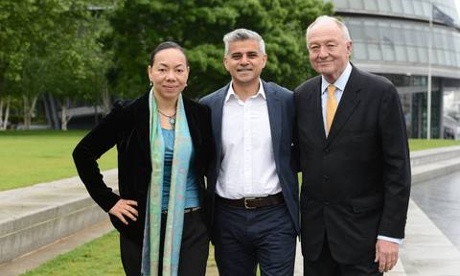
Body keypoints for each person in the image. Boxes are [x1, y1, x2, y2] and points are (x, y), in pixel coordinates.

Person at [72, 41, 214, 276]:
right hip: (141, 223)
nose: (171, 76)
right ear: (150, 72)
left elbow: (211, 164)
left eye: (179, 70)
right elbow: (83, 153)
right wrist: (109, 201)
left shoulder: (200, 115)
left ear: (187, 73)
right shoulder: (128, 114)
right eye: (162, 69)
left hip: (192, 225)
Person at [294, 15, 411, 275]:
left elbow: (398, 170)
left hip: (364, 239)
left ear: (348, 47)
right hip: (316, 241)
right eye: (314, 47)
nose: (322, 53)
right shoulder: (301, 96)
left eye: (330, 45)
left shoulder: (381, 92)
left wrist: (390, 235)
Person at [199, 28, 299, 276]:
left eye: (251, 54)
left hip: (276, 217)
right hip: (227, 219)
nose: (244, 61)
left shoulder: (287, 101)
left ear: (263, 60)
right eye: (236, 56)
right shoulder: (208, 106)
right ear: (226, 62)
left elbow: (301, 152)